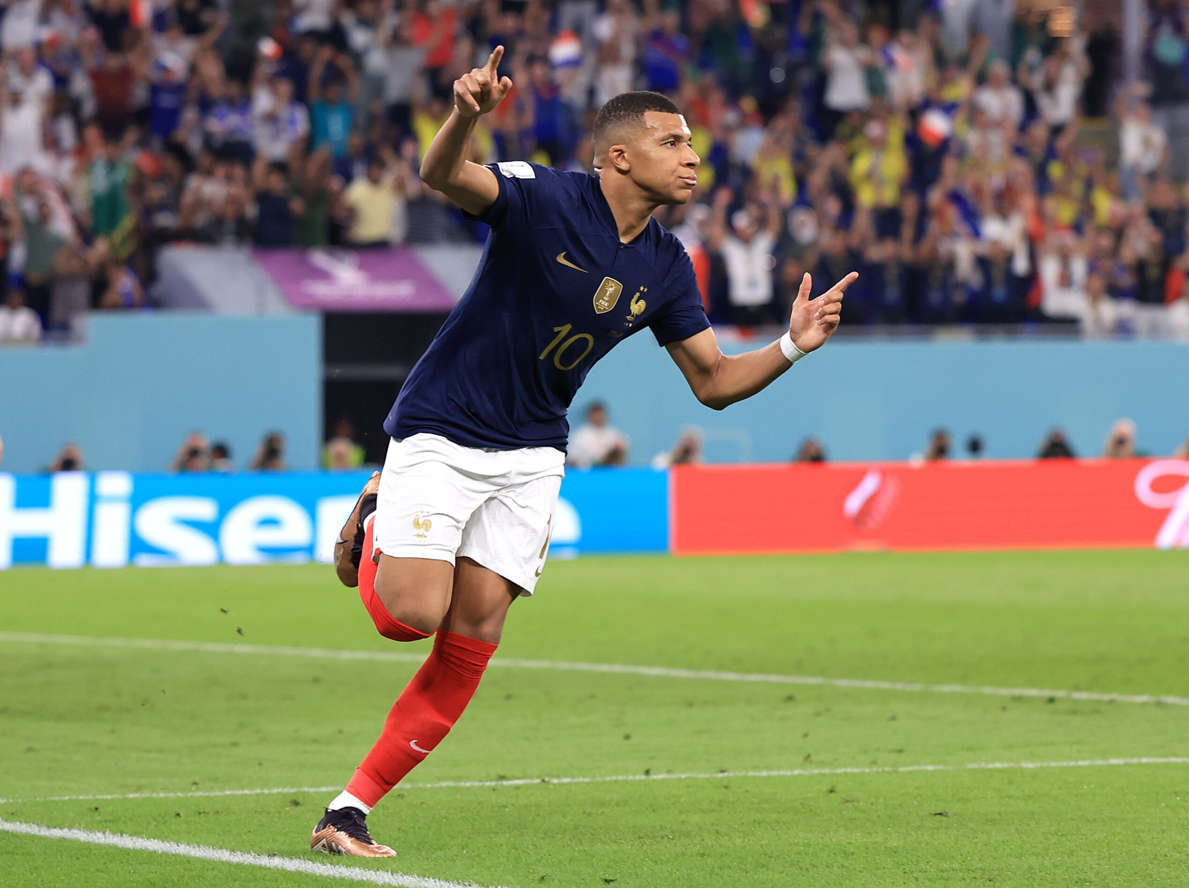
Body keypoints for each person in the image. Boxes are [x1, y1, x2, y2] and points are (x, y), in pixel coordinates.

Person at [309, 46, 856, 859]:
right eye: (673, 142)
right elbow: (441, 175)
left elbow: (712, 381)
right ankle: (375, 509)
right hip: (445, 425)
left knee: (474, 634)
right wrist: (463, 115)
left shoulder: (666, 264)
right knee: (411, 617)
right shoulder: (542, 198)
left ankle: (348, 810)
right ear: (619, 156)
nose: (692, 156)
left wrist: (791, 345)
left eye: (692, 143)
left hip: (532, 453)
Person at [566, 400, 628, 468]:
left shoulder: (612, 433)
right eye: (596, 415)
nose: (599, 417)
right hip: (587, 470)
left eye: (601, 415)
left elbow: (623, 447)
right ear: (590, 416)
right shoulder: (580, 435)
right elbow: (571, 456)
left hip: (609, 470)